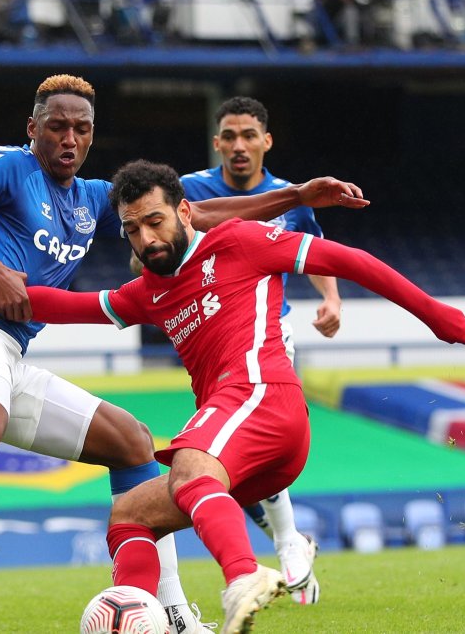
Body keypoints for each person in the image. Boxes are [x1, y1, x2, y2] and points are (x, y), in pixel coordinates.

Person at [0, 74, 368, 634]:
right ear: (33, 129)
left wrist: (293, 197)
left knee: (132, 443)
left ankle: (172, 616)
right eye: (56, 127)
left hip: (7, 352)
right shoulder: (8, 166)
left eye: (81, 129)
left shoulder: (91, 200)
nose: (69, 139)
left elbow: (195, 212)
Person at [0, 159, 465, 633]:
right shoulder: (149, 292)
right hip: (244, 445)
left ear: (183, 212)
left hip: (264, 398)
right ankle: (135, 614)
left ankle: (243, 575)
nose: (146, 238)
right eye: (132, 230)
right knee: (130, 514)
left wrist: (434, 314)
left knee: (188, 461)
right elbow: (63, 305)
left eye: (155, 221)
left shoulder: (238, 241)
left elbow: (346, 260)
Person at [179, 96, 335, 604]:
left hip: (268, 337)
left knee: (252, 444)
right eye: (230, 135)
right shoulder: (190, 194)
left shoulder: (290, 199)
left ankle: (288, 542)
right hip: (210, 343)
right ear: (217, 142)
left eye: (249, 135)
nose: (239, 145)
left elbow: (314, 251)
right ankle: (295, 547)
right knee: (231, 470)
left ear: (266, 141)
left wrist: (331, 298)